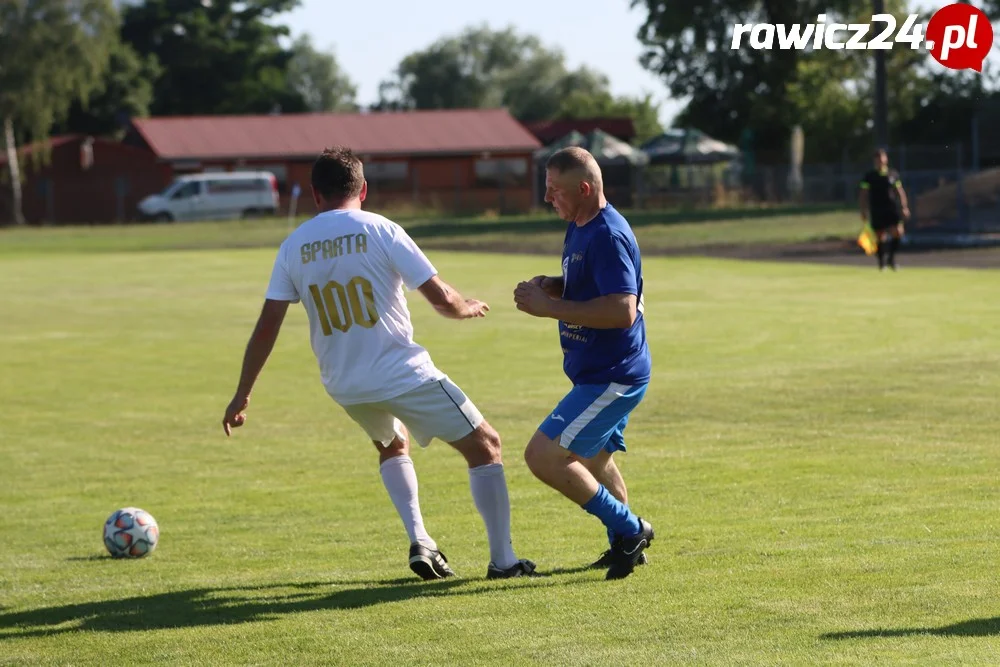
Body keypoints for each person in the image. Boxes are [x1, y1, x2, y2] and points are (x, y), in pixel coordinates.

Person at [222, 146, 536, 580]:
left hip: (344, 383)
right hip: (400, 373)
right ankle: (504, 562)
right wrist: (467, 307)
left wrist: (242, 395)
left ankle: (421, 540)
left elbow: (266, 327)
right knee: (486, 446)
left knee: (391, 444)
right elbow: (442, 299)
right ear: (363, 189)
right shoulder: (380, 229)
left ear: (315, 195)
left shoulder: (293, 245)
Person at [512, 146, 653, 581]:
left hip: (612, 376)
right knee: (594, 463)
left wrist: (546, 308)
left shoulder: (607, 234)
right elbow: (589, 284)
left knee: (543, 456)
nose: (547, 198)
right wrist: (554, 286)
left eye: (555, 190)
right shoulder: (580, 225)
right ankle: (624, 549)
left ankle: (632, 531)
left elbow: (622, 309)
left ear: (585, 189)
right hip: (601, 373)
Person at [859, 148, 910, 271]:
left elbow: (900, 192)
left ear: (886, 159)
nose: (880, 161)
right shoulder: (869, 176)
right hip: (877, 209)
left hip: (891, 209)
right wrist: (863, 210)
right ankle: (882, 263)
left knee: (898, 232)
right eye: (877, 159)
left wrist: (904, 207)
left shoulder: (893, 174)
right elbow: (863, 194)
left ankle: (891, 259)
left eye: (882, 158)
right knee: (879, 236)